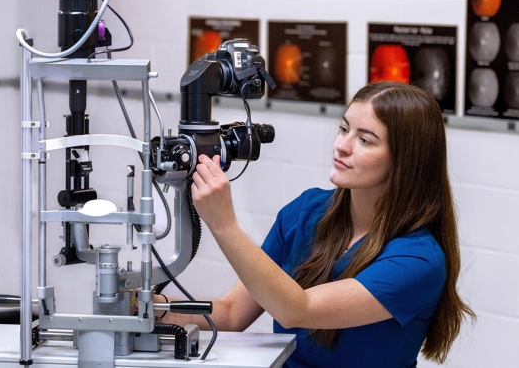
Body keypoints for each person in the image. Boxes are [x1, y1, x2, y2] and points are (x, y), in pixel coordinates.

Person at [158, 81, 474, 367]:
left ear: (404, 160)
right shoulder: (305, 212)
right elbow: (231, 312)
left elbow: (299, 310)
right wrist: (149, 307)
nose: (342, 145)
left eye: (365, 140)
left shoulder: (418, 260)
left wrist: (223, 223)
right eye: (344, 129)